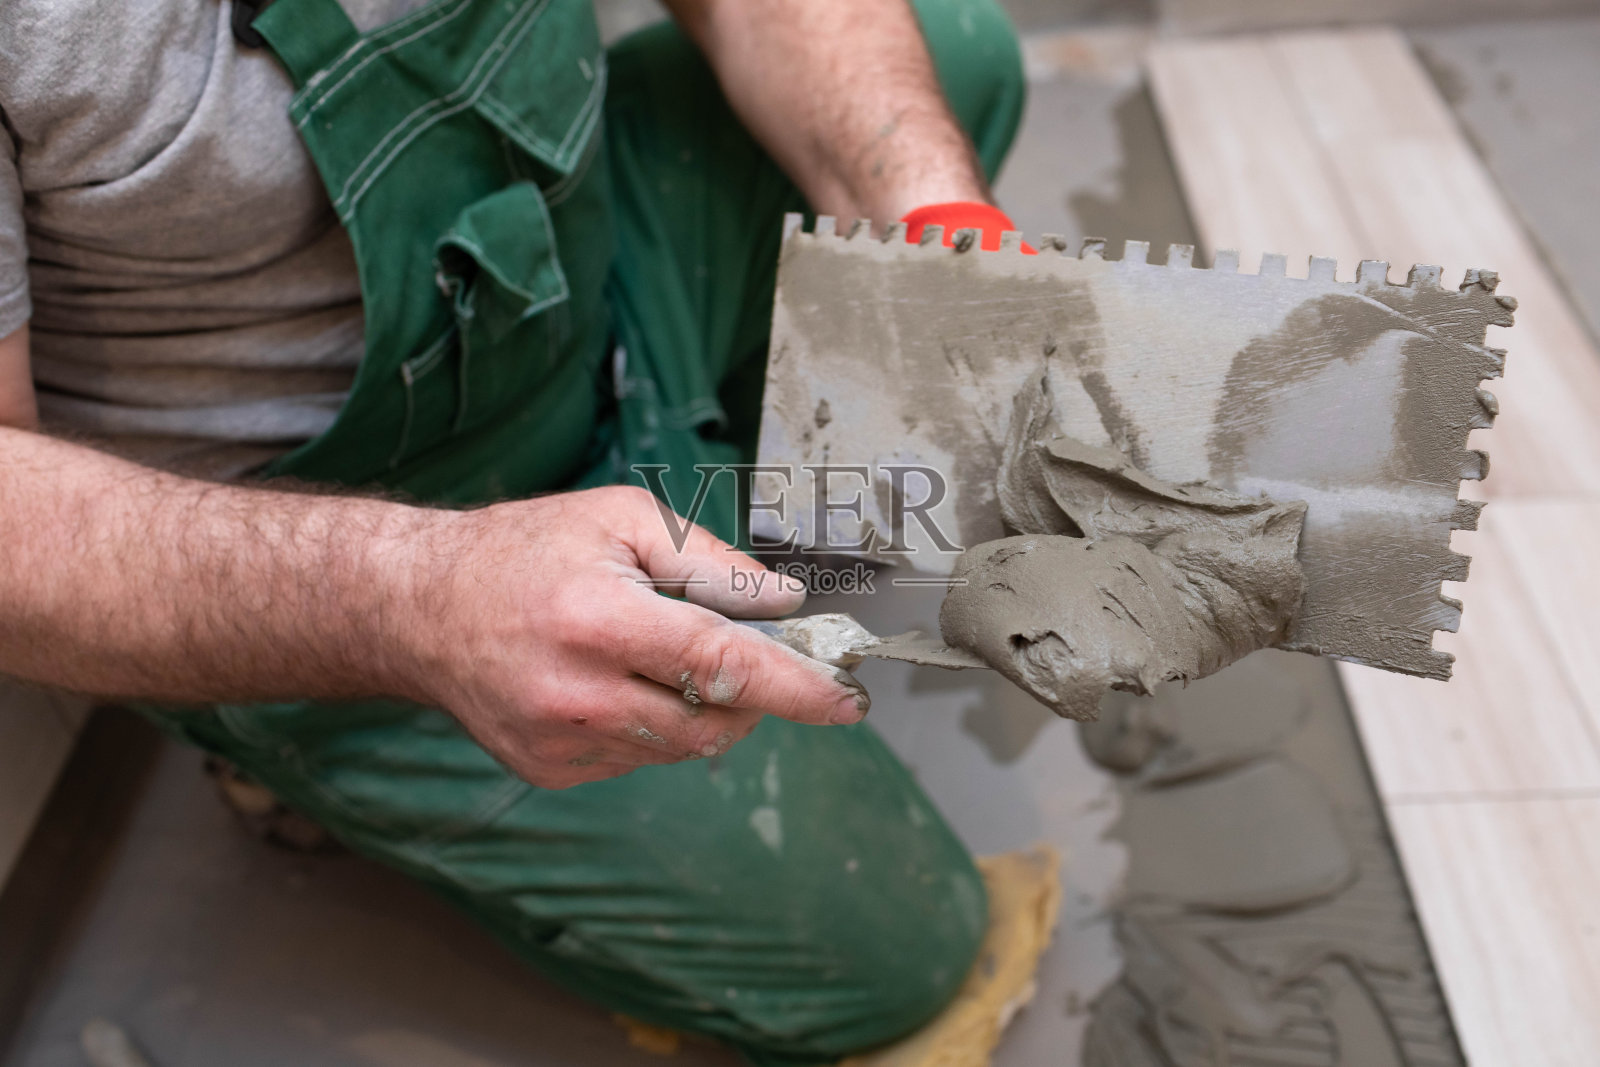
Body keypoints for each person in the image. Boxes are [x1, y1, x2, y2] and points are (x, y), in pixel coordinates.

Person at [0, 0, 1026, 1061]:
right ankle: (335, 748)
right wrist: (417, 599)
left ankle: (749, 536)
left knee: (952, 69)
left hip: (587, 286)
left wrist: (935, 225)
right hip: (350, 547)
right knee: (895, 946)